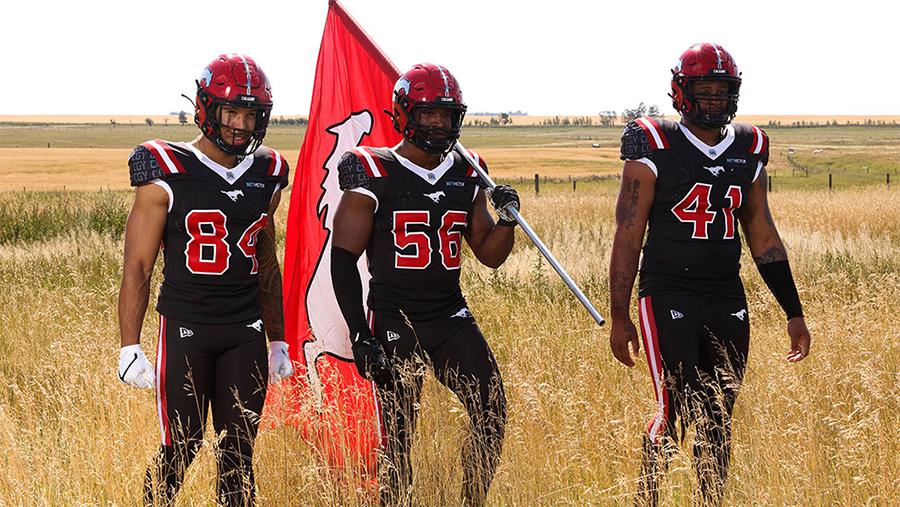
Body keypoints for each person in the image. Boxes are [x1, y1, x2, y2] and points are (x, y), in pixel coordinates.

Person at [608, 43, 811, 506]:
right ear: (682, 91)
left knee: (719, 415)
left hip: (726, 294)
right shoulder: (654, 143)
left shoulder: (749, 146)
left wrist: (793, 312)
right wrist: (620, 315)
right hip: (667, 290)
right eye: (706, 90)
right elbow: (627, 235)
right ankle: (645, 501)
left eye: (723, 90)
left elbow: (763, 235)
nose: (716, 99)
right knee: (674, 410)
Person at [330, 63, 520, 507]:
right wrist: (360, 334)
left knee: (492, 408)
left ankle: (472, 499)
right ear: (404, 113)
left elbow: (489, 254)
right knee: (398, 433)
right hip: (394, 316)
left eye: (446, 114)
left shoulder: (467, 172)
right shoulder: (372, 169)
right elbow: (342, 260)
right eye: (428, 113)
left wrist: (508, 219)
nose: (438, 123)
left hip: (449, 314)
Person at [116, 53, 294, 506]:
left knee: (239, 454)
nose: (241, 125)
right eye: (231, 111)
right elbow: (138, 265)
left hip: (245, 329)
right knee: (182, 445)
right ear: (206, 108)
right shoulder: (165, 168)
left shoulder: (268, 173)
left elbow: (265, 258)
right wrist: (129, 346)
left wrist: (278, 338)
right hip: (186, 326)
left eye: (251, 114)